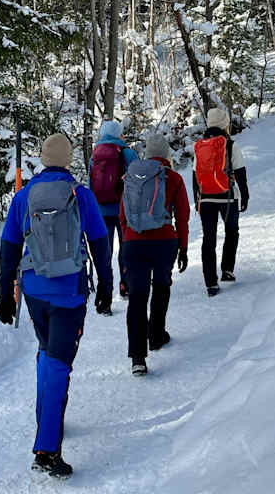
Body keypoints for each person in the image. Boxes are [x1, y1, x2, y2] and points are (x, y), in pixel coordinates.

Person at [0, 133, 113, 479]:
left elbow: (8, 247)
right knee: (60, 362)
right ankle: (47, 449)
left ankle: (45, 414)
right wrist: (106, 284)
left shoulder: (24, 196)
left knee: (47, 351)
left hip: (33, 289)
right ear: (68, 159)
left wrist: (5, 293)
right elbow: (99, 243)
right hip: (68, 292)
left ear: (44, 160)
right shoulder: (81, 194)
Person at [118, 132, 189, 376]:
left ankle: (138, 358)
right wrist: (183, 247)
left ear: (147, 153)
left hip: (134, 244)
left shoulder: (131, 177)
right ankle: (156, 336)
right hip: (164, 242)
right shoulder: (174, 178)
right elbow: (182, 216)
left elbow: (123, 215)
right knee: (161, 287)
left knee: (137, 296)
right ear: (167, 154)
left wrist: (127, 240)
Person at [192, 107, 250, 297]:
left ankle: (211, 283)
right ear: (225, 123)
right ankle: (227, 269)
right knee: (231, 231)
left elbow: (195, 176)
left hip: (206, 197)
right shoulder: (230, 145)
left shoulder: (200, 146)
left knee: (208, 239)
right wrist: (245, 195)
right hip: (228, 196)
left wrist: (197, 199)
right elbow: (240, 173)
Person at [88, 119, 139, 308]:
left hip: (101, 210)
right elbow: (138, 180)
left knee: (104, 252)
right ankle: (125, 285)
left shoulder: (95, 155)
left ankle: (105, 295)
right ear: (119, 134)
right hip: (123, 209)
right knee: (126, 247)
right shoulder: (127, 152)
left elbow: (89, 183)